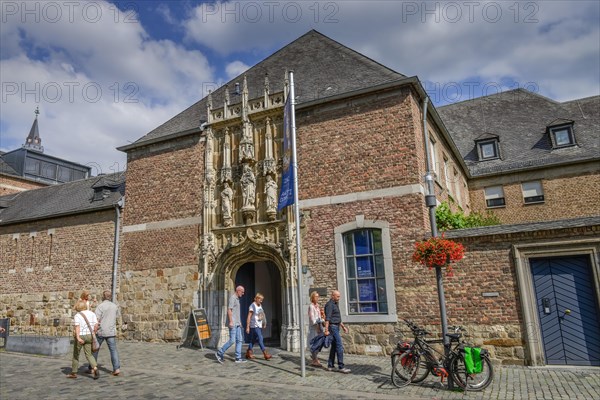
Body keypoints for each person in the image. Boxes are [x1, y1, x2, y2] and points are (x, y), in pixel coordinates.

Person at [67, 300, 100, 379]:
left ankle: (74, 372)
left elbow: (77, 327)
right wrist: (94, 333)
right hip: (89, 335)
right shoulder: (92, 313)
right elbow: (96, 325)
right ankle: (95, 368)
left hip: (81, 335)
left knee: (76, 354)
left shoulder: (77, 315)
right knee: (89, 354)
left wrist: (78, 337)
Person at [93, 290, 121, 376]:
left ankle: (92, 367)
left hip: (101, 331)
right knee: (113, 350)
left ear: (103, 297)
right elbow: (117, 316)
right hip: (111, 331)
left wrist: (94, 331)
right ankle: (116, 368)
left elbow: (96, 320)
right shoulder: (114, 306)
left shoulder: (100, 306)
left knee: (95, 349)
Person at [215, 285, 246, 363]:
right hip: (233, 323)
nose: (243, 293)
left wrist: (240, 322)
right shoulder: (233, 298)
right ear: (238, 290)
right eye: (242, 292)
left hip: (238, 323)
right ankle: (219, 353)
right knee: (232, 340)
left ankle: (238, 358)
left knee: (239, 340)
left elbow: (236, 312)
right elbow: (229, 310)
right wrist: (231, 321)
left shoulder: (238, 299)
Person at [324, 290, 351, 374]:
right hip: (333, 327)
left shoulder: (335, 304)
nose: (339, 298)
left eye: (339, 296)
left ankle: (330, 365)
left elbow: (337, 318)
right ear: (333, 296)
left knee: (334, 347)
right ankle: (341, 366)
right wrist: (326, 330)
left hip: (336, 326)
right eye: (337, 296)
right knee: (339, 346)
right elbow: (327, 318)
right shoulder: (330, 305)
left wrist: (343, 327)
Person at [245, 293, 272, 360]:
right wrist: (247, 326)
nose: (261, 301)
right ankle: (265, 353)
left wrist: (264, 322)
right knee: (260, 338)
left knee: (253, 340)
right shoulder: (252, 305)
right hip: (254, 326)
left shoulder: (260, 305)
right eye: (260, 299)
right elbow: (249, 316)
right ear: (256, 298)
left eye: (262, 300)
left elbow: (262, 314)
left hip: (259, 325)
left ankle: (248, 352)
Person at [308, 291, 324, 367]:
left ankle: (315, 358)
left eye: (318, 296)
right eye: (316, 297)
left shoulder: (317, 305)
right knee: (315, 343)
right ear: (312, 298)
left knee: (319, 343)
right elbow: (312, 318)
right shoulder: (311, 306)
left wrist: (322, 319)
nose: (317, 298)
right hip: (314, 327)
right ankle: (314, 360)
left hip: (319, 326)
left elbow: (319, 316)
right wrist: (318, 324)